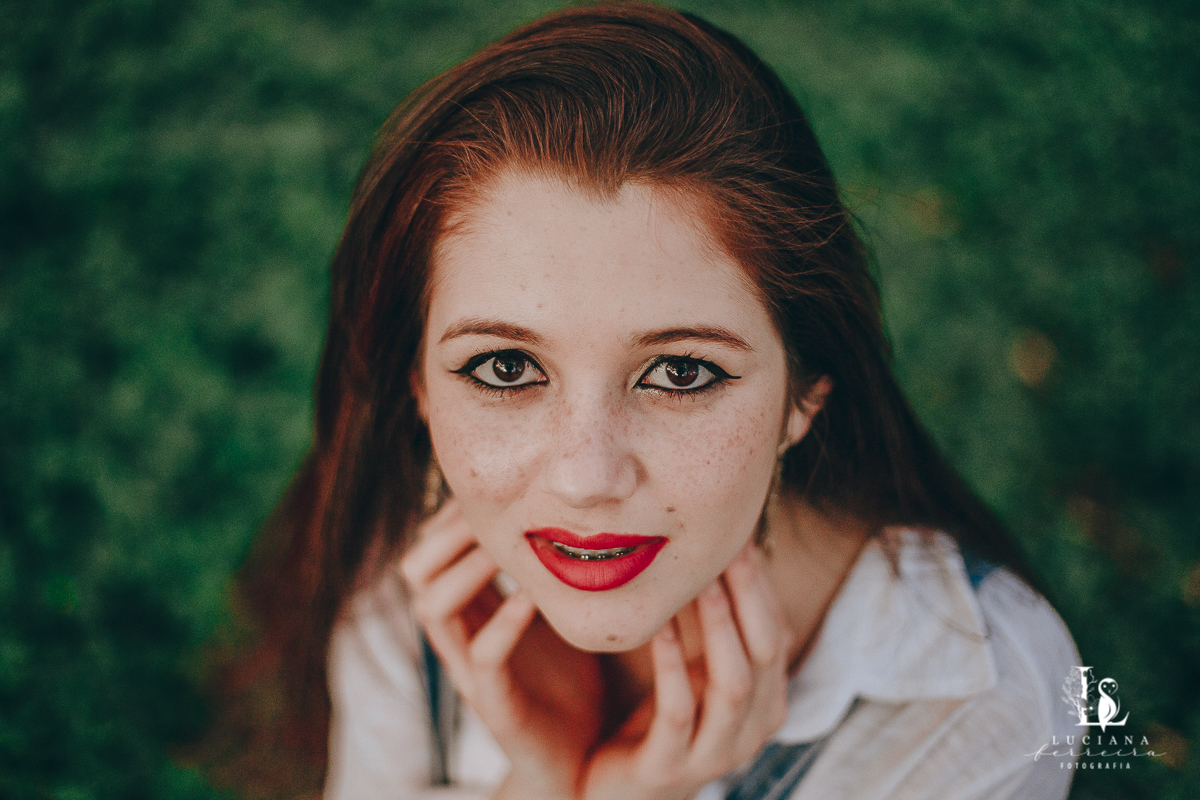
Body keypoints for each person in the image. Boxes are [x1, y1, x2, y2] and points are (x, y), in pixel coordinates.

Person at [240, 4, 1081, 798]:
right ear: (417, 386)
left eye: (680, 373)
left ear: (806, 391)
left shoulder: (975, 696)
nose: (585, 479)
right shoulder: (409, 565)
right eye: (503, 368)